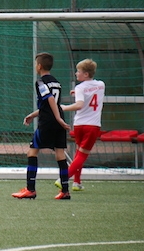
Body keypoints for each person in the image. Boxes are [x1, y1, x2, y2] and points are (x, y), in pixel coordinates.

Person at [12, 52, 71, 200]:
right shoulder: (56, 82)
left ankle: (30, 189)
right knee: (60, 154)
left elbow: (49, 99)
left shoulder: (40, 82)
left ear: (39, 66)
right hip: (57, 120)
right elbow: (52, 104)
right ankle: (65, 191)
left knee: (32, 152)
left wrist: (57, 118)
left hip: (48, 122)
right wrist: (33, 115)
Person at [55, 58, 105, 191]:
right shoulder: (101, 84)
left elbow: (80, 104)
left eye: (79, 71)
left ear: (86, 74)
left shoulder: (80, 88)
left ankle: (77, 182)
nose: (76, 73)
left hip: (79, 125)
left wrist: (64, 107)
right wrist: (73, 98)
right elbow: (88, 96)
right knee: (82, 155)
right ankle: (64, 178)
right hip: (92, 126)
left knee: (79, 153)